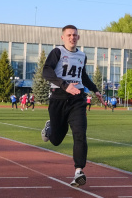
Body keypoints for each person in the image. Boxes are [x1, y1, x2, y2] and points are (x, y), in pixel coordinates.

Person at [40, 25, 104, 187]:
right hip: (58, 98)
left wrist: (95, 90)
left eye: (75, 35)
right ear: (63, 37)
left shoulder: (82, 55)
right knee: (56, 140)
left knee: (80, 133)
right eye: (69, 35)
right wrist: (64, 85)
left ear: (78, 37)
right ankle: (50, 128)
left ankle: (79, 171)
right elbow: (46, 72)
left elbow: (83, 76)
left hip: (78, 99)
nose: (72, 37)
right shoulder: (57, 53)